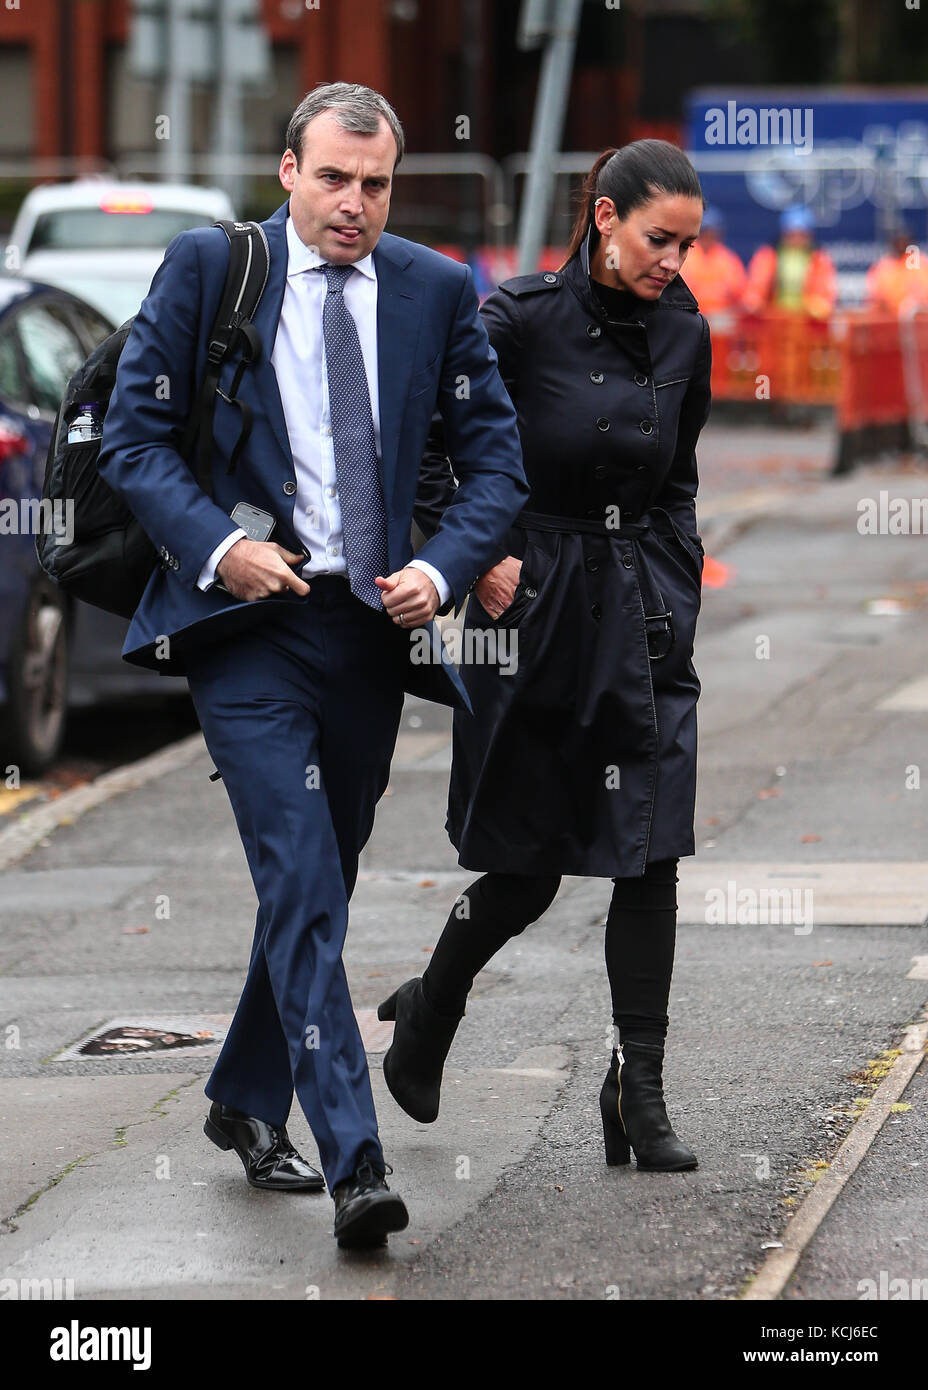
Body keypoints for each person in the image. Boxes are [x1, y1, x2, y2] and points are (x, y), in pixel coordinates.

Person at [97, 82, 527, 1249]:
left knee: (320, 874)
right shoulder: (210, 268)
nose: (353, 204)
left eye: (375, 183)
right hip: (244, 625)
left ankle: (242, 1097)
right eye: (332, 178)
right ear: (289, 171)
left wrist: (440, 571)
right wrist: (222, 546)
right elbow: (134, 438)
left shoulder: (434, 290)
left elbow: (495, 462)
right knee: (298, 874)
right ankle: (357, 1162)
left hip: (364, 632)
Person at [378, 139, 711, 1172]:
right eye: (660, 239)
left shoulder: (686, 331)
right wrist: (484, 560)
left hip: (641, 607)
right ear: (604, 219)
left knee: (649, 849)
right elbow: (437, 447)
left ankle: (637, 1089)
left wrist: (672, 577)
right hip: (532, 604)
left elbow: (679, 475)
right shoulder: (515, 321)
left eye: (688, 243)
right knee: (525, 864)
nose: (674, 260)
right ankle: (431, 1012)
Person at [742, 205, 837, 319]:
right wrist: (754, 301)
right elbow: (756, 286)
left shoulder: (820, 258)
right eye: (791, 233)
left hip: (807, 322)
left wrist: (819, 305)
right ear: (783, 233)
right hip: (774, 321)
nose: (796, 239)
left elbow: (825, 293)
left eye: (801, 234)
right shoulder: (768, 255)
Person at [679, 205, 746, 316]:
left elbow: (740, 292)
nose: (708, 236)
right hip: (690, 314)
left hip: (721, 318)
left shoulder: (728, 258)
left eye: (712, 232)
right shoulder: (686, 255)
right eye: (705, 232)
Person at [865, 227, 928, 315]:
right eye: (898, 241)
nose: (901, 244)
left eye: (904, 241)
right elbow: (875, 295)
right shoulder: (883, 266)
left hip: (917, 320)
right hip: (888, 318)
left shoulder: (922, 263)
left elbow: (924, 294)